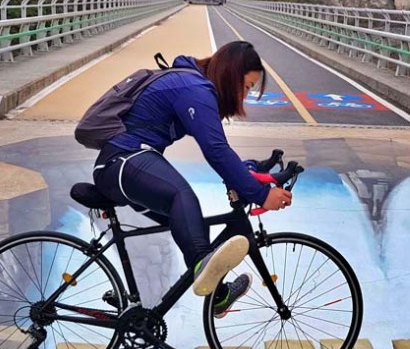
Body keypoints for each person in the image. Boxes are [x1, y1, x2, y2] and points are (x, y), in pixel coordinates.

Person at [90, 41, 293, 317]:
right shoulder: (193, 88)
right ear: (232, 75)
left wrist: (249, 171)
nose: (244, 96)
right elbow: (216, 150)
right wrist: (261, 194)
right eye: (246, 87)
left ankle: (210, 296)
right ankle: (208, 279)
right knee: (182, 197)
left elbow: (218, 148)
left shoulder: (194, 85)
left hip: (128, 164)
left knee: (192, 226)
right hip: (121, 161)